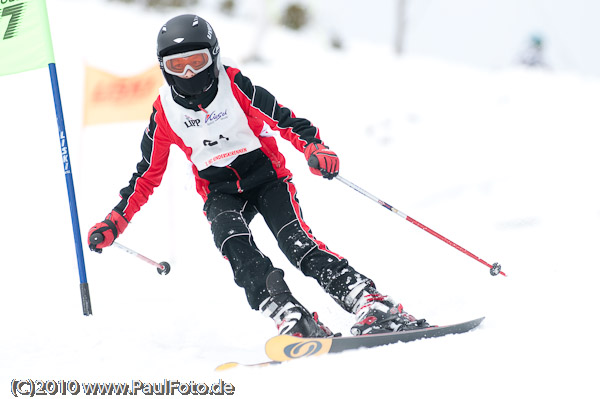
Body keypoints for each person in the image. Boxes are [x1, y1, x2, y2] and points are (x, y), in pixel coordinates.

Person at [88, 14, 428, 337]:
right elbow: (146, 175)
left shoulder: (234, 85)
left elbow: (284, 119)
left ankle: (370, 301)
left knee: (296, 245)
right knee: (232, 242)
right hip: (220, 190)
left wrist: (314, 147)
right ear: (164, 68)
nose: (189, 73)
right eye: (178, 65)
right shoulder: (165, 113)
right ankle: (288, 314)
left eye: (198, 61)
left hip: (266, 178)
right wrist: (115, 222)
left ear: (214, 57)